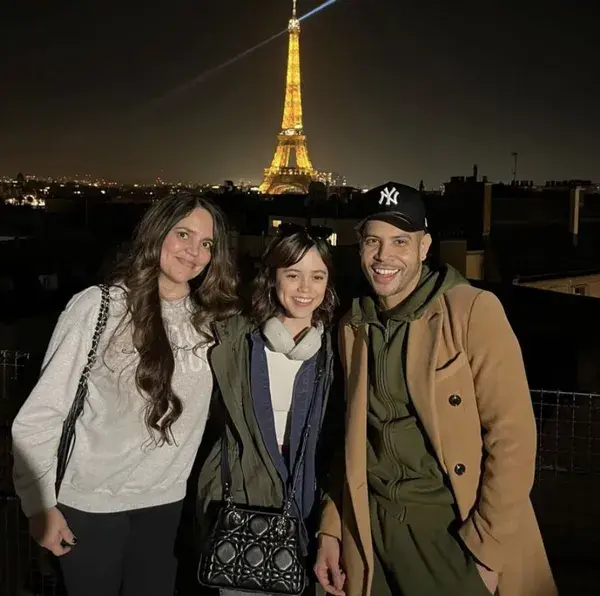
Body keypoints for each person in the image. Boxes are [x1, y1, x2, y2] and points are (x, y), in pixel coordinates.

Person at [314, 182, 557, 596]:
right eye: (373, 241)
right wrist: (333, 528)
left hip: (451, 532)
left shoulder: (470, 311)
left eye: (399, 242)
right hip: (372, 535)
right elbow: (350, 440)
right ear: (359, 247)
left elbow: (513, 438)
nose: (384, 256)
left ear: (424, 246)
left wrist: (486, 550)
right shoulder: (353, 327)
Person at [11, 192, 238, 596]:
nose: (194, 252)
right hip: (91, 505)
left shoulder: (211, 321)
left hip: (167, 506)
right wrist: (40, 505)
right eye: (183, 234)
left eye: (206, 244)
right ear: (156, 234)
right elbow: (43, 414)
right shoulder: (100, 307)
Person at [196, 223, 340, 596]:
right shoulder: (233, 339)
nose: (305, 288)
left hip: (307, 514)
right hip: (240, 508)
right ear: (273, 278)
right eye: (293, 275)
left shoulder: (335, 351)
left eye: (317, 276)